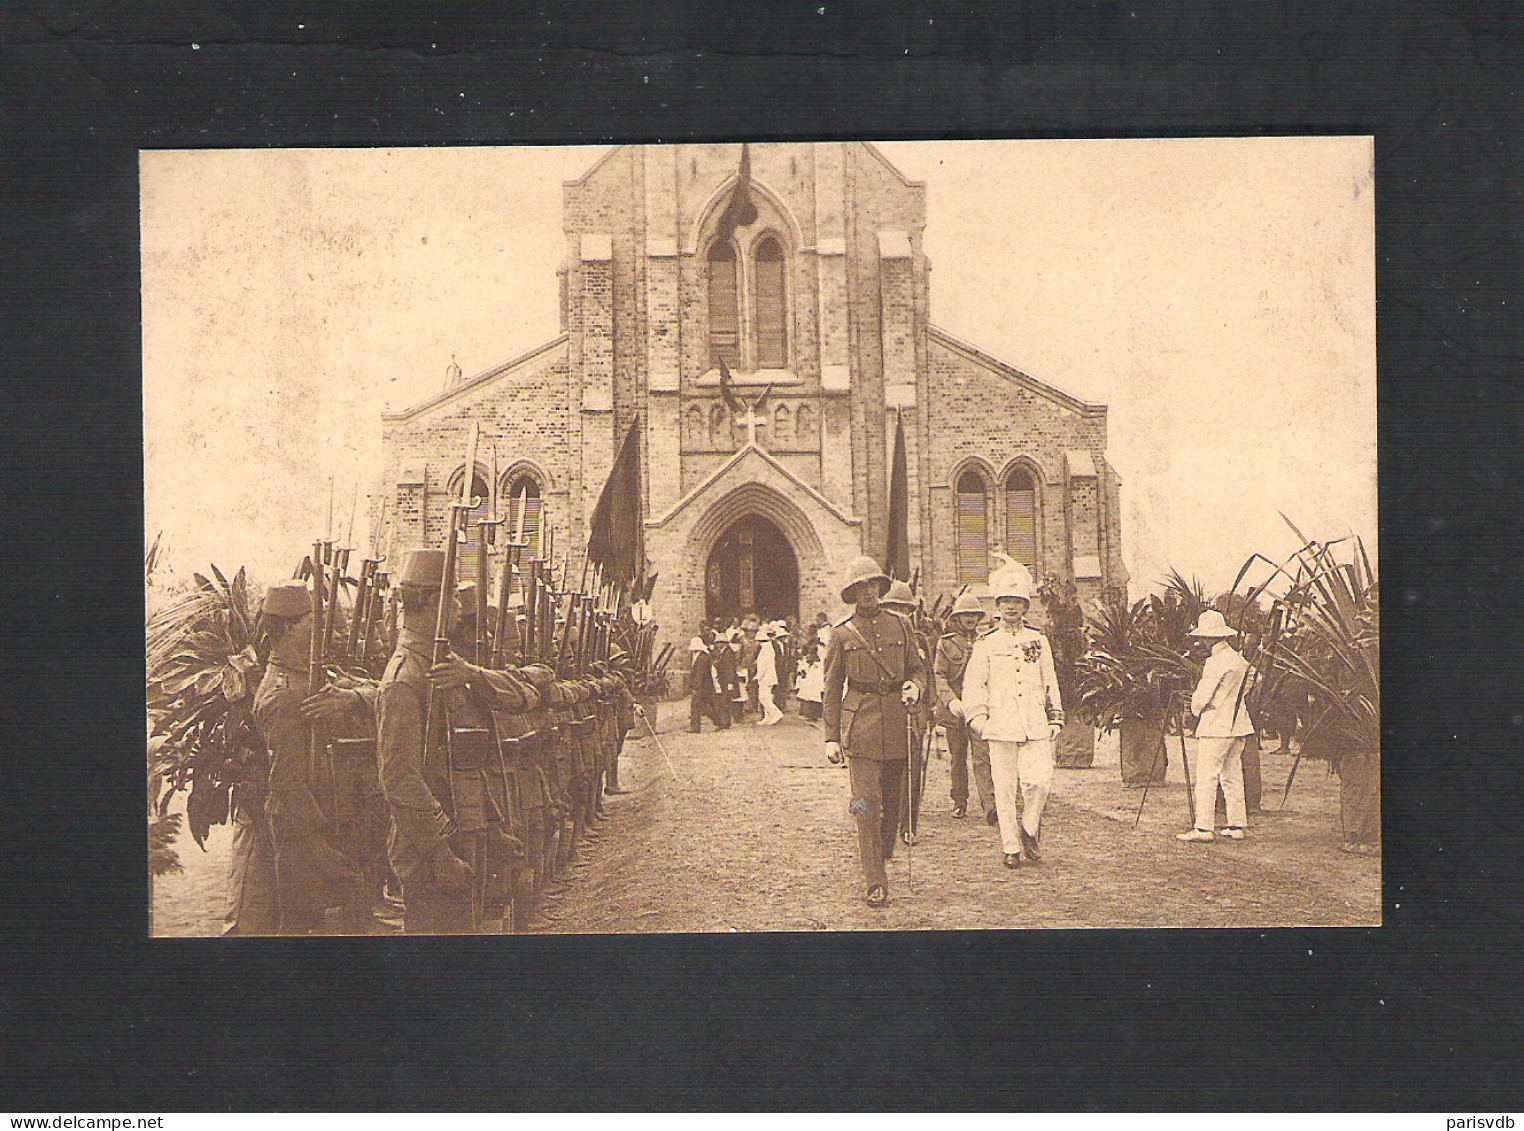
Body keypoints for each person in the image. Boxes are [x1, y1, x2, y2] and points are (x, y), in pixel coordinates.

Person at [374, 548, 530, 934]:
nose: (461, 606)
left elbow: (466, 760)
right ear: (429, 602)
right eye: (452, 597)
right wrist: (439, 852)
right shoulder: (405, 679)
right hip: (432, 852)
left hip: (463, 837)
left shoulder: (444, 668)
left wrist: (490, 828)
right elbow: (400, 779)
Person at [252, 581, 370, 934]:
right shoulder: (284, 694)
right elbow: (286, 782)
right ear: (288, 629)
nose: (321, 631)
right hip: (302, 831)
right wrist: (320, 847)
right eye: (311, 624)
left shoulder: (309, 677)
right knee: (305, 924)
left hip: (325, 817)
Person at [822, 556, 926, 908]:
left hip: (898, 722)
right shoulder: (841, 634)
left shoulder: (901, 626)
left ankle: (880, 856)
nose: (867, 593)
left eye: (872, 586)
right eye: (859, 588)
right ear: (852, 594)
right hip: (862, 727)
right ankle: (875, 881)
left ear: (880, 588)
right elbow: (833, 687)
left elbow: (917, 668)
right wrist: (831, 737)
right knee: (865, 805)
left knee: (892, 806)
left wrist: (914, 686)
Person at [961, 559, 1064, 869]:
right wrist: (978, 718)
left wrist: (1055, 715)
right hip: (1000, 722)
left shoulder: (1039, 641)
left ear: (1025, 606)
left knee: (1040, 781)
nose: (1011, 607)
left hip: (1034, 722)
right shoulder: (986, 644)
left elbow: (1050, 681)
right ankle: (1011, 848)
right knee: (1004, 788)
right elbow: (974, 685)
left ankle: (1029, 827)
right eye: (1006, 601)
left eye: (1017, 602)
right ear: (998, 605)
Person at [1177, 610, 1256, 843]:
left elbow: (1201, 697)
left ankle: (1203, 828)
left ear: (1209, 638)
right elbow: (1251, 683)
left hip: (1216, 725)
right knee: (1231, 775)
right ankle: (1236, 824)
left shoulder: (1215, 662)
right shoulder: (1240, 660)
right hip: (1239, 723)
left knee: (1207, 776)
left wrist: (1195, 709)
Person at [936, 592, 998, 824]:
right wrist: (951, 701)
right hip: (956, 710)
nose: (970, 619)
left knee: (983, 756)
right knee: (958, 757)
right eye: (965, 615)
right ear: (957, 618)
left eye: (974, 614)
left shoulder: (987, 641)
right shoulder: (946, 644)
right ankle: (959, 801)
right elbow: (939, 676)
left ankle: (990, 806)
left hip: (980, 709)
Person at [881, 580, 931, 845]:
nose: (901, 616)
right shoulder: (876, 639)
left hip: (913, 712)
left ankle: (909, 825)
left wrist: (928, 708)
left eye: (905, 610)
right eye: (893, 609)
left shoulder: (920, 640)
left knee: (912, 769)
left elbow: (926, 675)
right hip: (883, 713)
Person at [756, 622, 784, 725]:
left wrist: (758, 676)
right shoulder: (767, 648)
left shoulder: (766, 649)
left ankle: (776, 713)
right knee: (767, 696)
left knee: (763, 697)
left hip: (766, 677)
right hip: (767, 676)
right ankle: (767, 717)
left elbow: (764, 665)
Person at [795, 626, 824, 722]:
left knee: (814, 691)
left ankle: (815, 714)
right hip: (810, 669)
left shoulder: (817, 646)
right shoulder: (808, 645)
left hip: (816, 669)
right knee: (808, 690)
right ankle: (810, 713)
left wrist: (810, 659)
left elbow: (818, 657)